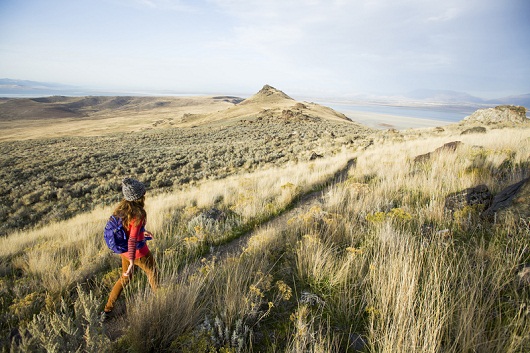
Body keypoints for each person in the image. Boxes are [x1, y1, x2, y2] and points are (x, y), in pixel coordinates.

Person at [102, 178, 158, 321]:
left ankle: (107, 310)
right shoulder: (139, 213)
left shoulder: (121, 209)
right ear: (139, 196)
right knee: (153, 273)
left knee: (125, 278)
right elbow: (133, 239)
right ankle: (160, 301)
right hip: (138, 253)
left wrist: (143, 232)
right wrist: (133, 260)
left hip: (124, 251)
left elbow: (129, 231)